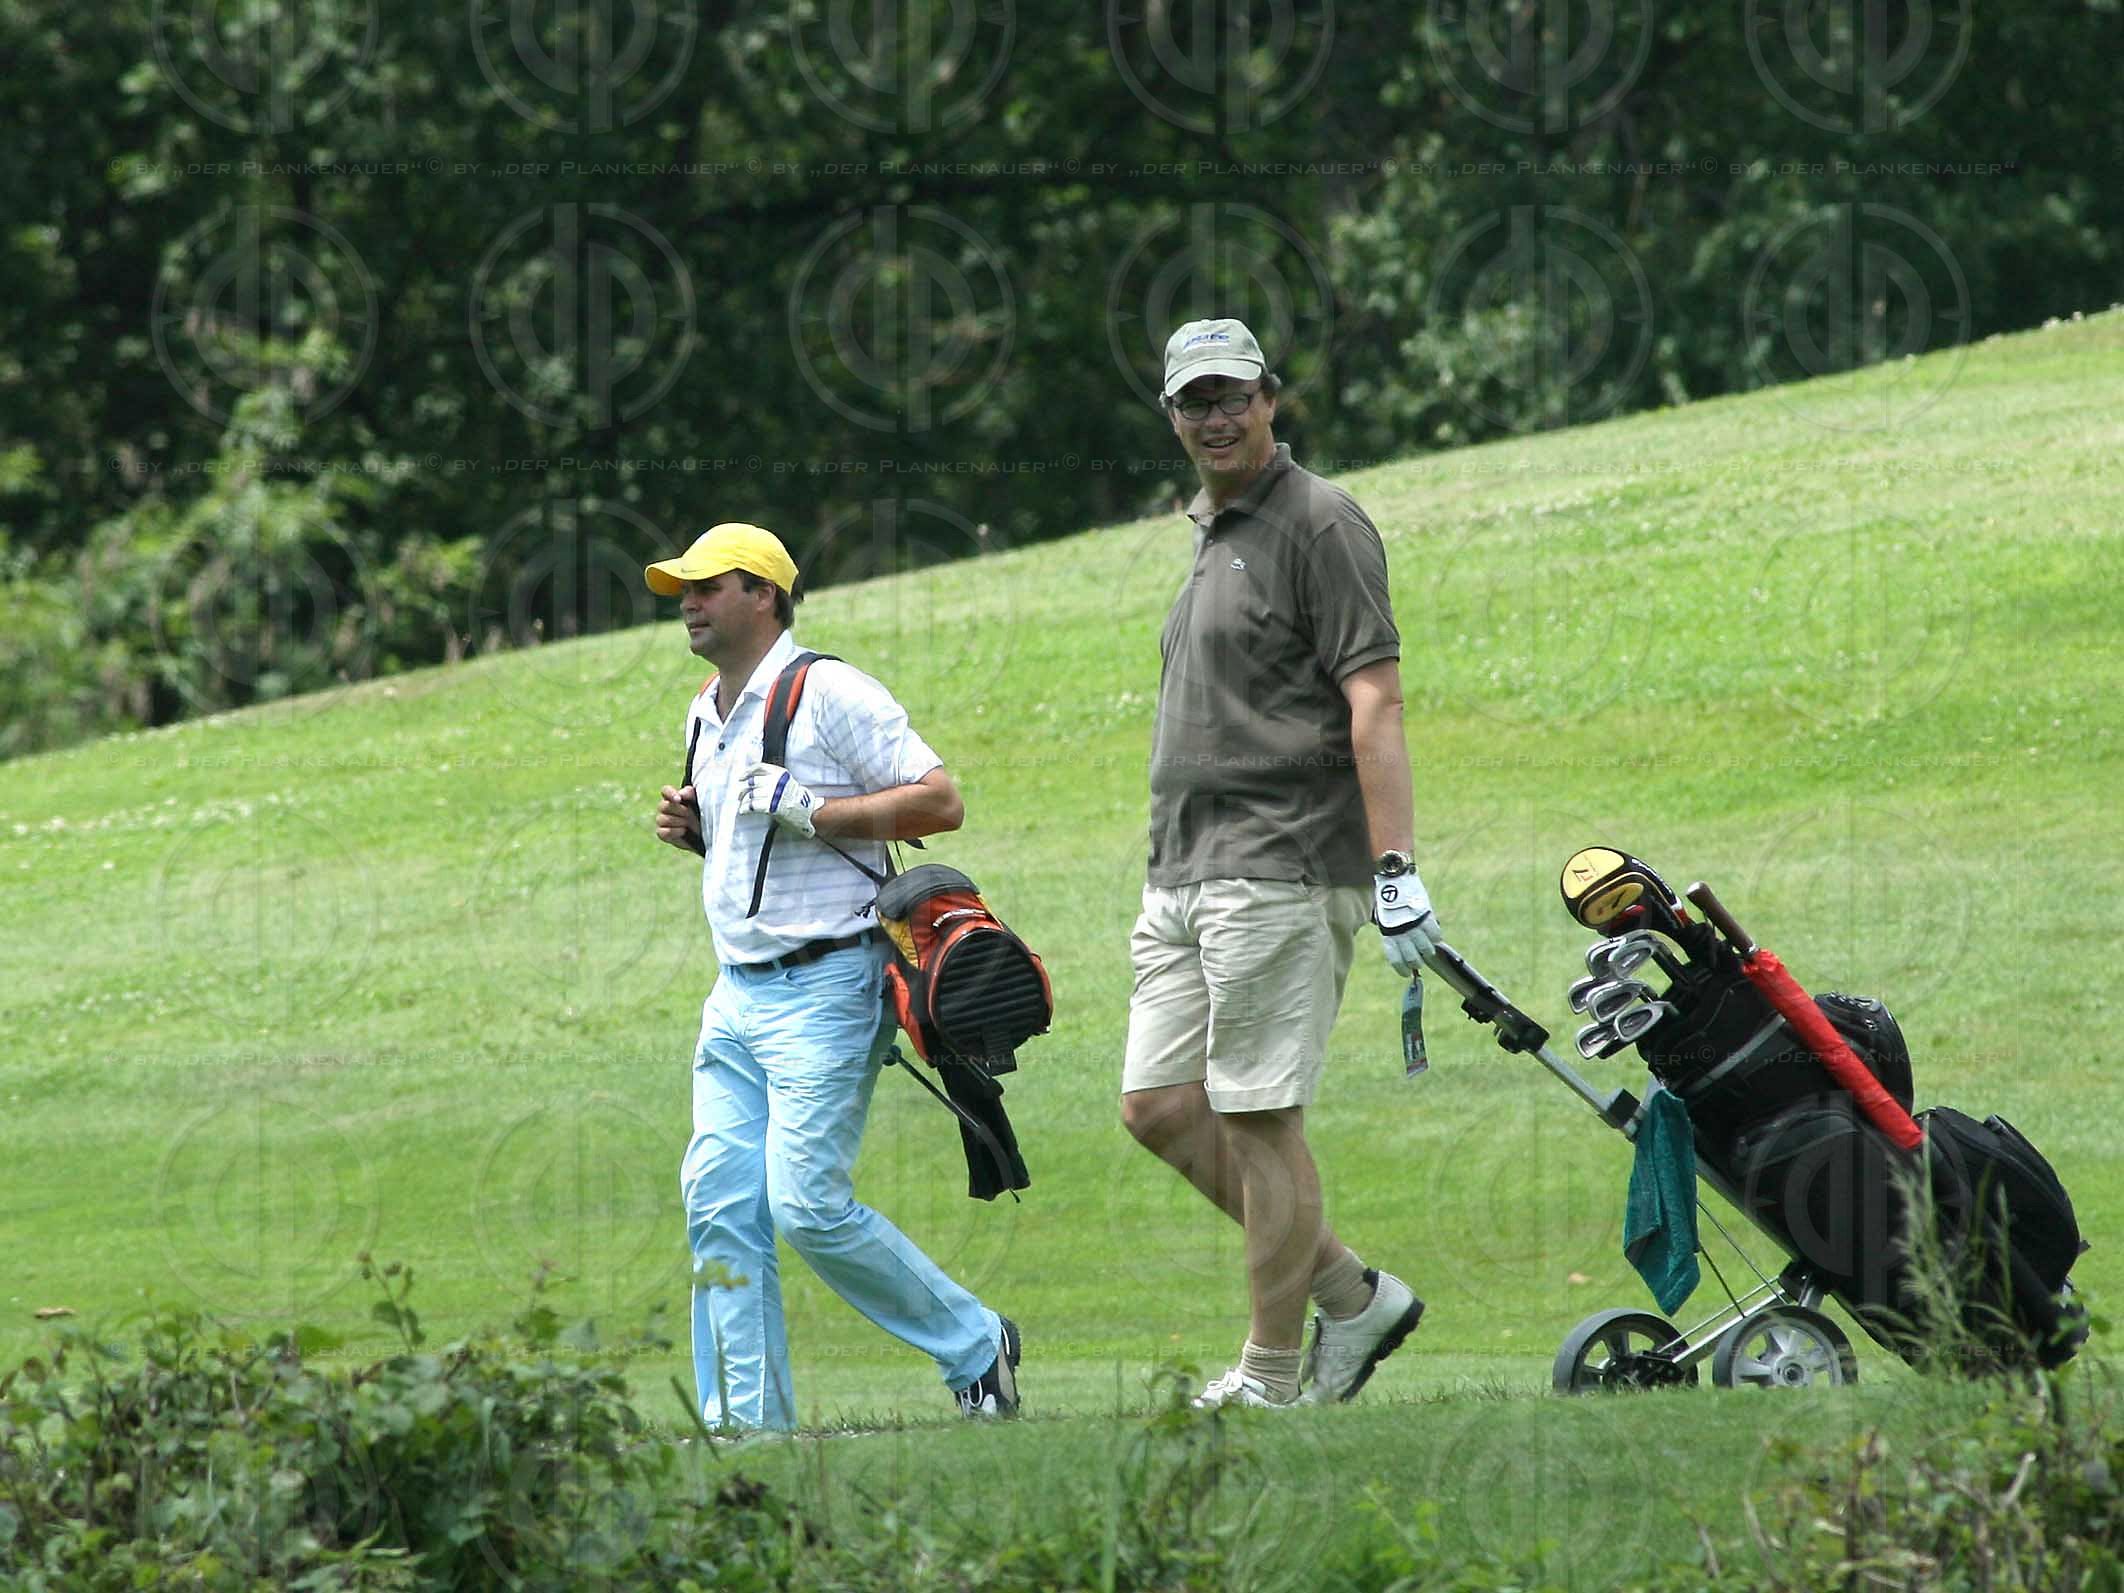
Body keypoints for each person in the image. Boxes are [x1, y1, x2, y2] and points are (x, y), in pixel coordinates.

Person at [1119, 318, 1443, 1410]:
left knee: (1258, 1115)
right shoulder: (1213, 527)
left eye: (1232, 397)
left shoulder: (1322, 522)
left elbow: (1376, 698)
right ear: (1173, 416)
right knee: (1160, 1106)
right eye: (1193, 402)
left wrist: (1395, 867)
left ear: (1270, 400)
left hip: (1281, 863)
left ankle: (1270, 1372)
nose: (1214, 417)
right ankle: (1353, 1297)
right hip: (1183, 870)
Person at [646, 521, 1020, 1432]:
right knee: (721, 1201)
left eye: (708, 586)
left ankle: (976, 1342)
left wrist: (810, 809)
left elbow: (940, 800)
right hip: (735, 991)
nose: (688, 603)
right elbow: (747, 829)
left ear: (764, 594)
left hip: (828, 983)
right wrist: (698, 826)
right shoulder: (706, 707)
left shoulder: (829, 690)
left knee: (806, 1205)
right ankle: (746, 1430)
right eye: (683, 590)